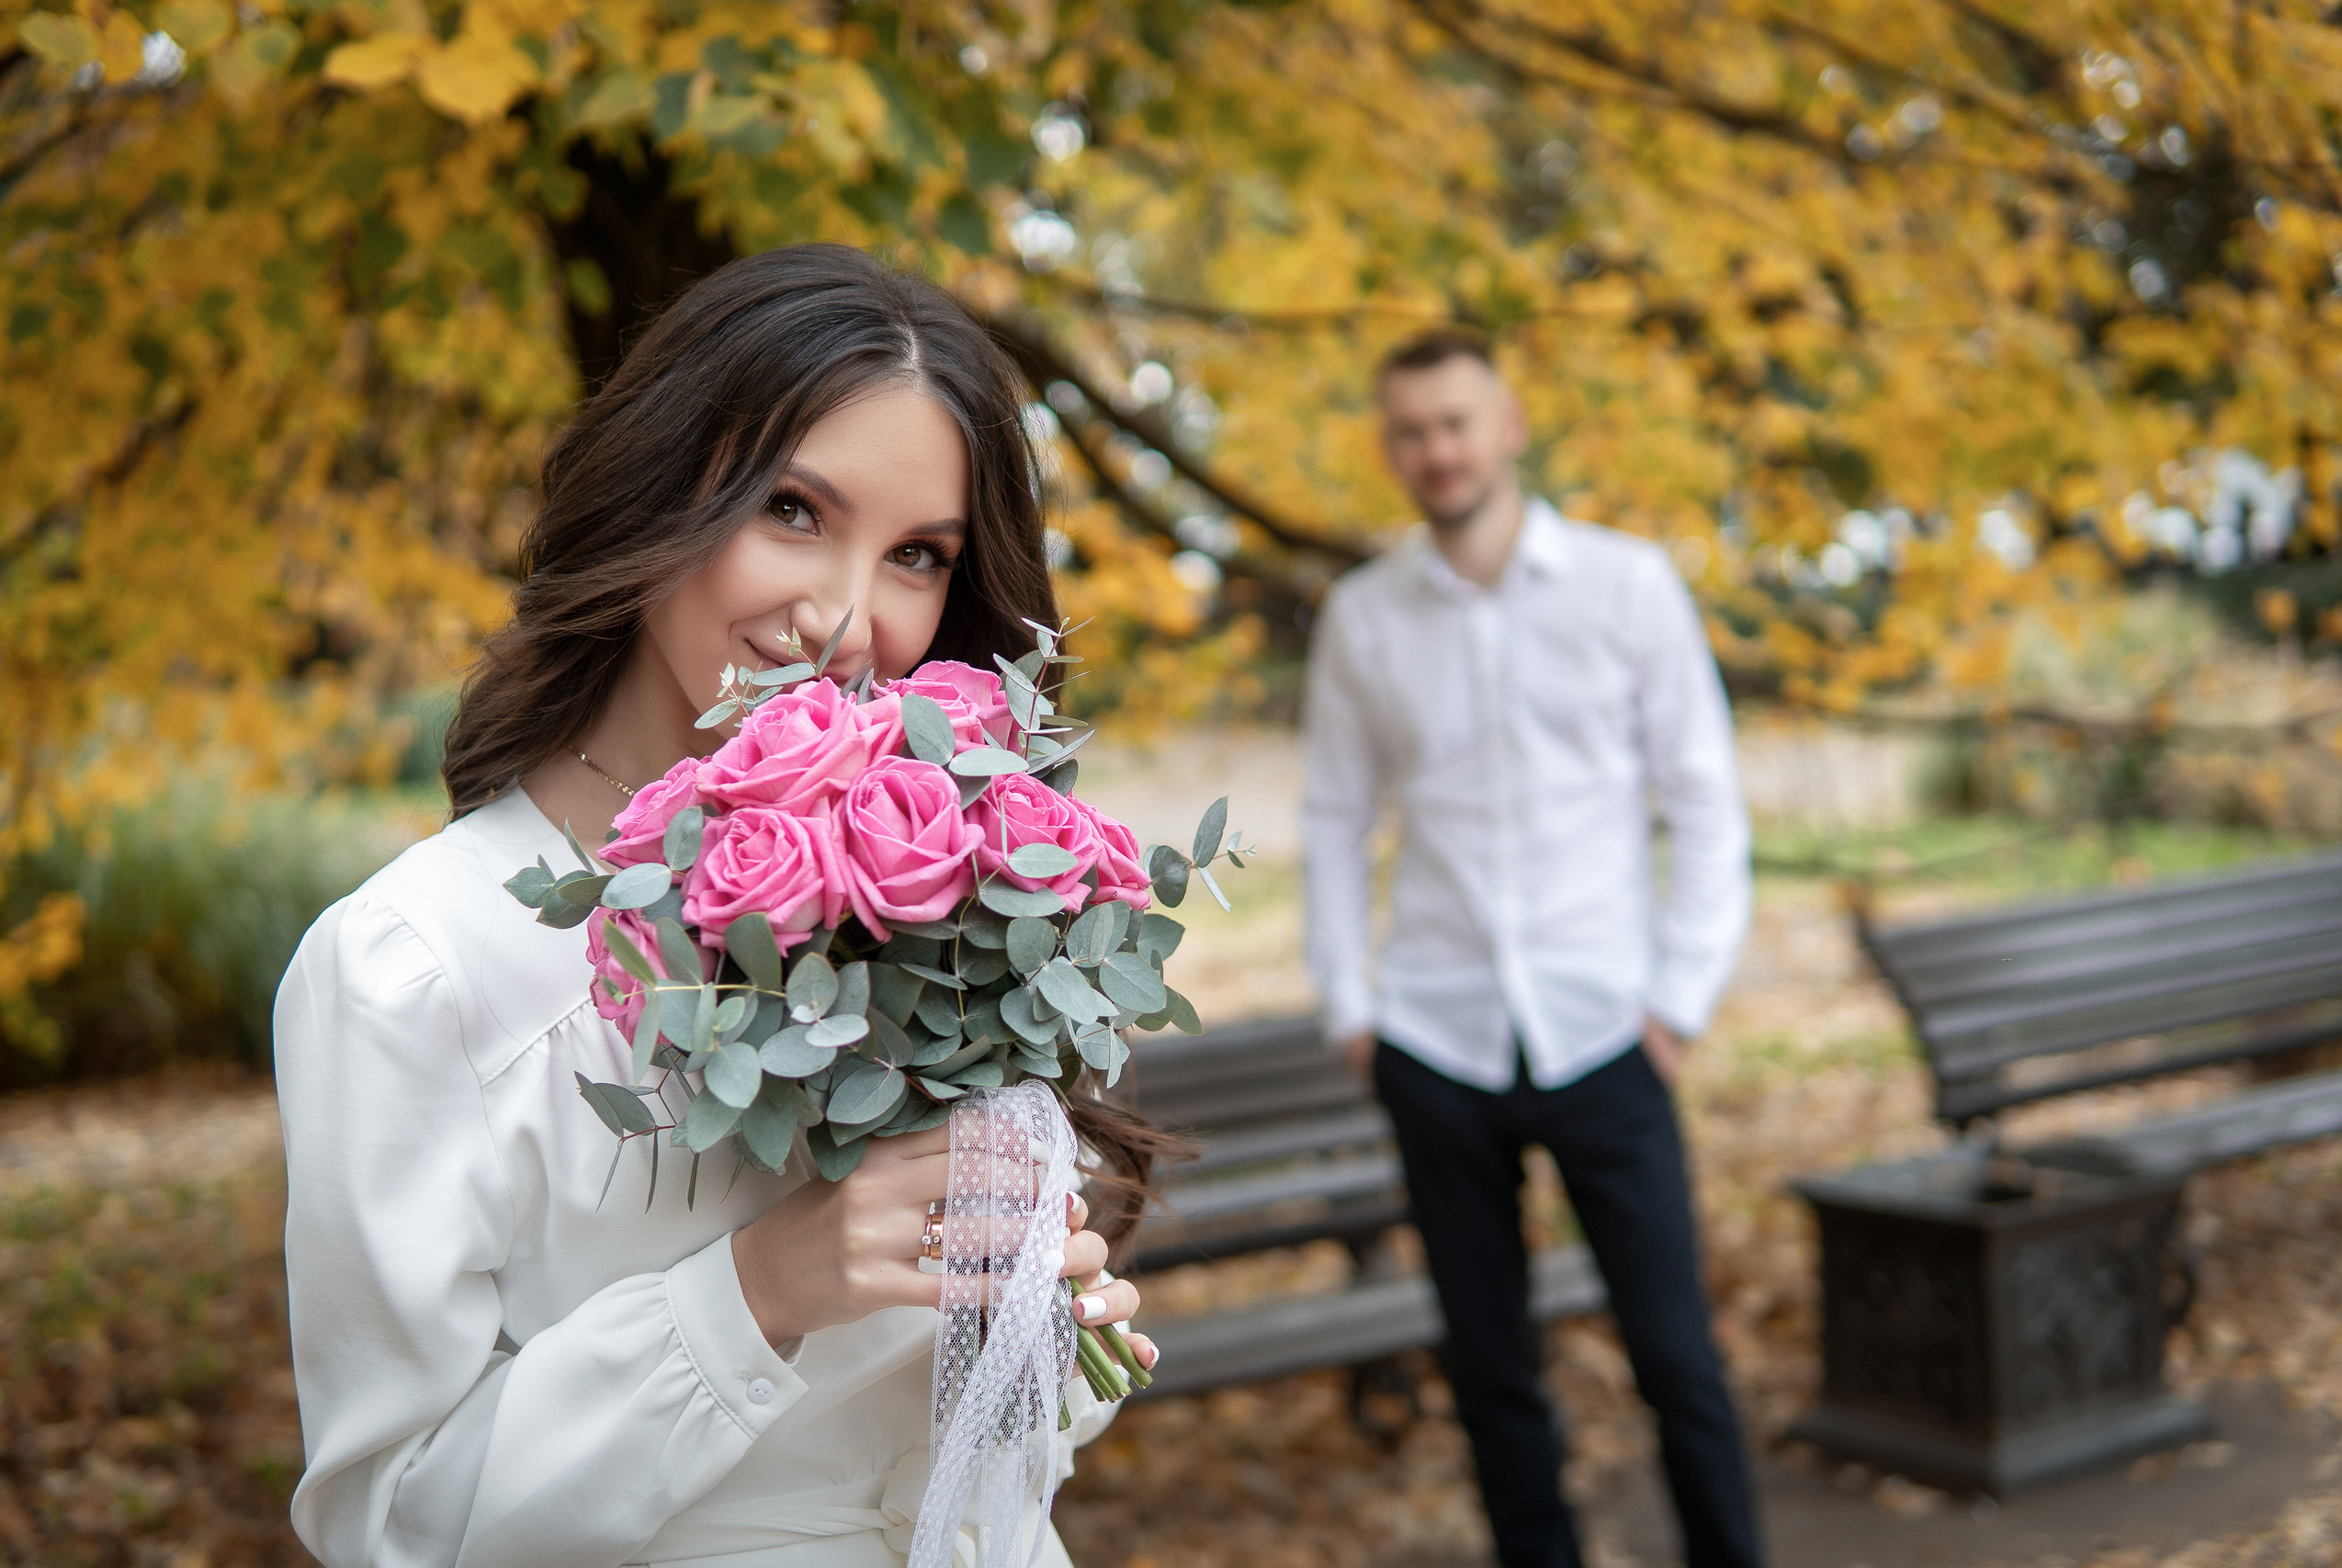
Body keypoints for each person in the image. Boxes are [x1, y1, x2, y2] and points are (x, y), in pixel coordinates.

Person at [273, 244, 1162, 1568]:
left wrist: (1037, 1341)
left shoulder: (966, 895)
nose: (845, 620)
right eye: (796, 512)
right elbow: (392, 1529)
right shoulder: (417, 966)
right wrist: (758, 1295)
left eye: (917, 554)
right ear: (658, 491)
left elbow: (970, 1482)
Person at [1302, 329, 1760, 1568]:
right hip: (1436, 1039)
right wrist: (1354, 1010)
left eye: (1456, 422)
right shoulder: (1364, 618)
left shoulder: (1629, 587)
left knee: (1677, 1359)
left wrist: (1679, 1002)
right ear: (1391, 449)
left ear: (1507, 423)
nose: (1436, 451)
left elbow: (1705, 802)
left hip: (1610, 1029)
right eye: (1411, 431)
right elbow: (1335, 820)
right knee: (1492, 1370)